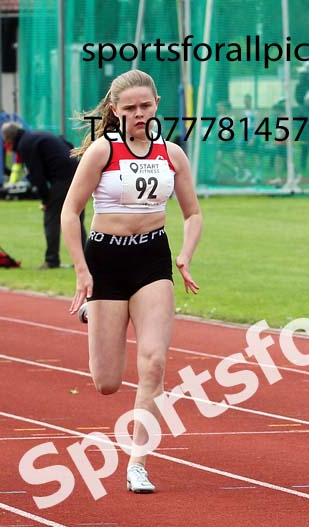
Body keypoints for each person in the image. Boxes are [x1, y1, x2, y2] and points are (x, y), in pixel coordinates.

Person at [60, 69, 203, 494]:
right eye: (130, 108)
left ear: (157, 102)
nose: (139, 114)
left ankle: (137, 463)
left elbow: (192, 213)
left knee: (154, 363)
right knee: (107, 383)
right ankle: (94, 308)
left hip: (152, 261)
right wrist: (82, 270)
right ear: (114, 111)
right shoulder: (102, 152)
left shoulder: (172, 154)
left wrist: (185, 254)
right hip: (106, 259)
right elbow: (70, 211)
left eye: (146, 105)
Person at [1, 123, 86, 269]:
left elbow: (37, 175)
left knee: (52, 219)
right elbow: (67, 144)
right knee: (76, 218)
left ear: (9, 138)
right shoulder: (35, 135)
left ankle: (51, 260)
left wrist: (45, 199)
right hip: (78, 173)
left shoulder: (25, 144)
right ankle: (85, 259)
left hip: (62, 178)